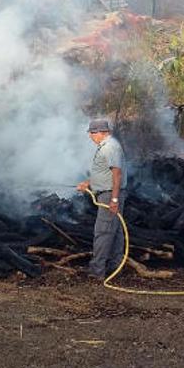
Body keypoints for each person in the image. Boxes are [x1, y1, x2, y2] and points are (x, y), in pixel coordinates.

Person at [77, 119, 127, 280]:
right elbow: (104, 172)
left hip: (109, 194)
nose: (91, 137)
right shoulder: (106, 146)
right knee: (115, 232)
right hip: (107, 193)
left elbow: (116, 174)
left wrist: (113, 200)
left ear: (101, 132)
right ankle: (115, 268)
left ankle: (96, 271)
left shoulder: (110, 147)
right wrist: (88, 183)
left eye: (92, 133)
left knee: (103, 232)